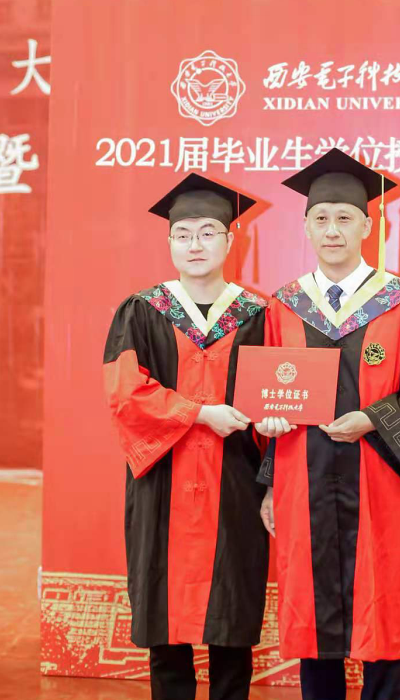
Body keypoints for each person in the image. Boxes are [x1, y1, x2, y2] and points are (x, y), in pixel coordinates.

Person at [257, 149, 400, 700]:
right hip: (302, 478)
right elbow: (270, 395)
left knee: (380, 598)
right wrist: (269, 482)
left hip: (377, 477)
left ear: (368, 225)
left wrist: (372, 419)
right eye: (321, 218)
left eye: (345, 217)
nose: (332, 230)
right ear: (306, 227)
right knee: (311, 605)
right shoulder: (285, 305)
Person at [103, 173, 269, 700]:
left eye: (208, 232)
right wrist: (198, 413)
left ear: (231, 239)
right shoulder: (141, 310)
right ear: (169, 240)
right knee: (166, 622)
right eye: (183, 234)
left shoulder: (260, 316)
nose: (195, 244)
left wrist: (275, 438)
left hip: (236, 485)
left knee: (232, 616)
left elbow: (280, 397)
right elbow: (125, 395)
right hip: (163, 484)